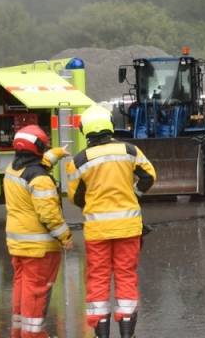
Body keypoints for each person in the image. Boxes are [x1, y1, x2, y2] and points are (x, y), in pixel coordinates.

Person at [67, 104, 157, 338]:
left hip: (97, 231)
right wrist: (133, 194)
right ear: (109, 125)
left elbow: (75, 196)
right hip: (128, 228)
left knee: (98, 279)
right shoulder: (129, 150)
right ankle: (127, 333)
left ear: (85, 130)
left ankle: (101, 334)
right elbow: (149, 176)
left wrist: (93, 204)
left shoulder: (79, 160)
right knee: (126, 276)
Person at [4, 124, 73, 338]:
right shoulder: (40, 179)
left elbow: (39, 163)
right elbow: (49, 216)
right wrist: (65, 238)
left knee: (22, 288)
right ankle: (33, 335)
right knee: (37, 292)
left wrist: (58, 153)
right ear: (38, 148)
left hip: (19, 246)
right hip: (40, 248)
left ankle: (19, 332)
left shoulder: (13, 169)